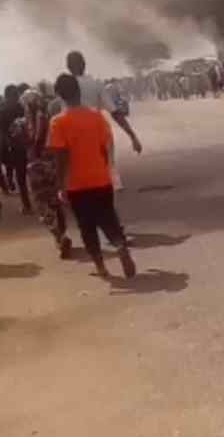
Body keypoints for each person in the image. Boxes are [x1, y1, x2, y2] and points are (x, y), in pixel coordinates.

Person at [48, 74, 136, 279]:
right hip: (100, 178)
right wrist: (103, 170)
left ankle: (100, 266)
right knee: (109, 218)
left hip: (76, 185)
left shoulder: (58, 122)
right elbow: (104, 149)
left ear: (59, 95)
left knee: (86, 226)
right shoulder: (96, 117)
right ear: (79, 91)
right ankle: (119, 244)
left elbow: (61, 157)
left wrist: (60, 186)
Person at [66, 51, 142, 191]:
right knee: (109, 165)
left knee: (80, 168)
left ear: (68, 67)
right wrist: (132, 136)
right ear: (84, 64)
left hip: (74, 133)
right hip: (99, 129)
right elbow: (114, 112)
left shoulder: (66, 87)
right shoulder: (96, 84)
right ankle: (113, 187)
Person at [21, 89, 72, 259]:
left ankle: (59, 236)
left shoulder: (23, 124)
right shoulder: (52, 120)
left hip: (35, 167)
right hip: (51, 164)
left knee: (42, 205)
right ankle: (62, 235)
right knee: (56, 202)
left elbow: (24, 143)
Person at [0, 84, 33, 214]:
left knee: (21, 177)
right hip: (30, 146)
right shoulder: (25, 108)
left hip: (16, 148)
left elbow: (2, 134)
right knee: (34, 174)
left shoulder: (3, 112)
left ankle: (27, 206)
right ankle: (43, 203)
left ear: (6, 96)